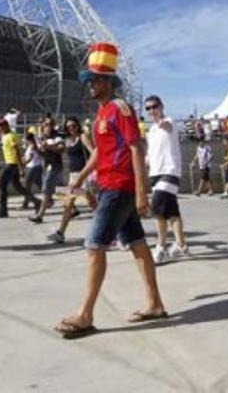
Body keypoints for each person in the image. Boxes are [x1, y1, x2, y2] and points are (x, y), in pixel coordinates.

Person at [55, 42, 166, 339]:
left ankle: (85, 314)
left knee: (94, 247)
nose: (90, 84)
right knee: (138, 246)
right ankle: (155, 303)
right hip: (108, 187)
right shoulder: (102, 114)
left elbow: (135, 148)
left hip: (119, 188)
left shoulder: (120, 109)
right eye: (89, 79)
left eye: (95, 79)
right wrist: (80, 178)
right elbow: (99, 154)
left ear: (108, 82)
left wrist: (142, 192)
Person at [145, 95, 189, 264]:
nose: (152, 111)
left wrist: (164, 123)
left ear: (162, 106)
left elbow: (170, 128)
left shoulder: (170, 122)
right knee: (171, 212)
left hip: (169, 171)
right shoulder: (152, 130)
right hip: (155, 173)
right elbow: (150, 154)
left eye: (155, 106)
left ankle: (160, 246)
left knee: (156, 207)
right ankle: (181, 245)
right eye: (148, 108)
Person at [47, 117, 96, 243]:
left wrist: (89, 172)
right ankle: (60, 233)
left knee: (91, 204)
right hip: (73, 176)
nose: (71, 129)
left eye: (73, 126)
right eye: (68, 127)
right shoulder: (68, 140)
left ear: (78, 126)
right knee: (70, 203)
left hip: (83, 175)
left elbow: (94, 153)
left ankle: (113, 230)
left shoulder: (83, 137)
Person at [0, 119, 40, 218]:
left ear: (7, 125)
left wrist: (20, 167)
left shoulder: (12, 136)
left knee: (2, 185)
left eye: (2, 125)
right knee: (18, 186)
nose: (0, 127)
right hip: (9, 163)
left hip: (12, 163)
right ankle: (36, 201)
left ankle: (3, 210)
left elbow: (17, 151)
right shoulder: (4, 136)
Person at [29, 119, 65, 223]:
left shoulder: (57, 136)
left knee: (46, 190)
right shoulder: (43, 137)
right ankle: (73, 208)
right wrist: (35, 148)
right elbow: (43, 154)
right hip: (48, 166)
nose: (48, 126)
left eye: (50, 124)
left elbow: (61, 149)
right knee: (61, 190)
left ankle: (40, 215)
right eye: (46, 124)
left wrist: (49, 146)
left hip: (55, 166)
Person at [21, 132, 44, 208]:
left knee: (27, 186)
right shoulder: (31, 145)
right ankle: (49, 199)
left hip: (33, 167)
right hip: (36, 167)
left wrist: (23, 164)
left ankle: (25, 203)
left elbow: (30, 158)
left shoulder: (33, 146)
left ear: (28, 139)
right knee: (40, 185)